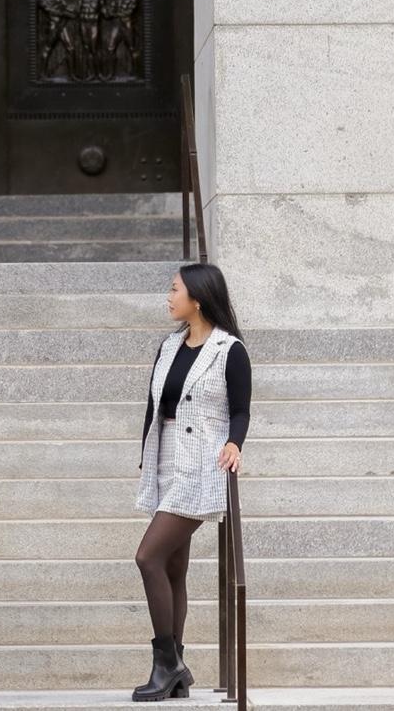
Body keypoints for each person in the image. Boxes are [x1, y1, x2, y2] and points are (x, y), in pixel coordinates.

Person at [132, 263, 252, 702]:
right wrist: (146, 458)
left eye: (174, 290)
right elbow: (154, 407)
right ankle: (177, 672)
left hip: (201, 466)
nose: (168, 297)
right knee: (172, 568)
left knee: (148, 556)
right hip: (166, 461)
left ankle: (166, 663)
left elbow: (241, 409)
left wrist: (235, 443)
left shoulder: (228, 350)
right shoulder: (168, 346)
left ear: (197, 298)